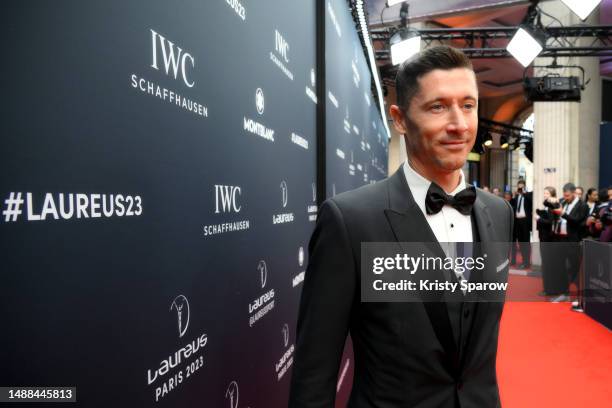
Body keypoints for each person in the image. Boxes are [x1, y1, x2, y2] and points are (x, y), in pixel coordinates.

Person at [290, 46, 514, 408]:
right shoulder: (351, 220)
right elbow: (315, 371)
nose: (459, 124)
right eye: (438, 107)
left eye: (468, 105)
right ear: (400, 118)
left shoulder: (498, 213)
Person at [549, 183, 588, 302]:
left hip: (574, 241)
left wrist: (563, 214)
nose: (565, 198)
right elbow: (556, 217)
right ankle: (564, 293)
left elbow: (577, 222)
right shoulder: (563, 202)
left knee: (574, 267)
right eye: (564, 195)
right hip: (561, 238)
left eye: (568, 196)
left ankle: (578, 295)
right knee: (560, 266)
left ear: (574, 193)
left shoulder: (583, 205)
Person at [535, 186, 560, 296]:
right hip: (544, 237)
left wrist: (538, 219)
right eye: (544, 193)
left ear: (552, 195)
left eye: (547, 193)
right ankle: (548, 288)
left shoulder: (552, 206)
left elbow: (550, 222)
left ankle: (549, 289)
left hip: (548, 239)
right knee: (546, 264)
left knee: (548, 264)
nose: (545, 195)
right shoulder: (547, 205)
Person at [510, 180, 532, 269]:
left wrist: (524, 193)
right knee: (520, 242)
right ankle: (523, 261)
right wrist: (515, 195)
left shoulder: (528, 195)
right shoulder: (517, 196)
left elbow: (531, 201)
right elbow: (511, 204)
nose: (520, 189)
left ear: (524, 187)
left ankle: (526, 262)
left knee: (525, 243)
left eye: (521, 187)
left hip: (525, 222)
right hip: (517, 222)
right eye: (519, 187)